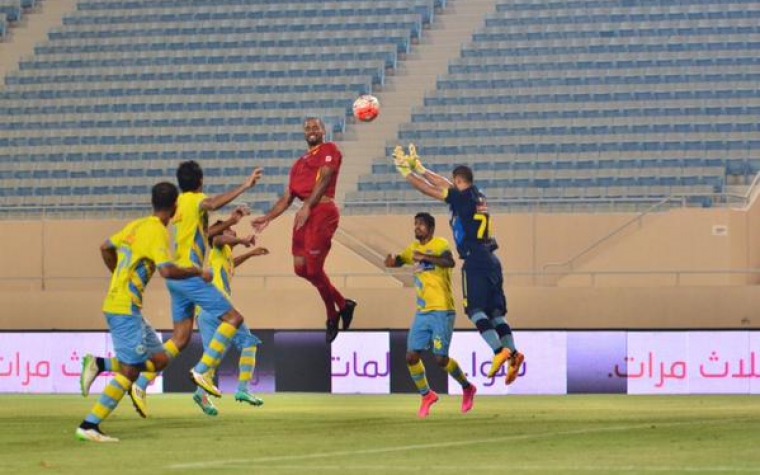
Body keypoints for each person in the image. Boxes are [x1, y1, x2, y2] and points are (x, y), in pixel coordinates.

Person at [75, 182, 211, 442]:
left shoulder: (136, 226)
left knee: (159, 360)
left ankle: (100, 364)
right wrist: (198, 272)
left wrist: (118, 275)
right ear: (174, 207)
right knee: (130, 371)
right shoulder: (157, 232)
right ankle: (89, 425)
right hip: (123, 308)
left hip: (128, 306)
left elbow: (105, 247)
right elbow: (167, 270)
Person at [127, 161, 263, 415]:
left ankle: (141, 383)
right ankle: (201, 371)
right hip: (190, 274)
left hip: (174, 277)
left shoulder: (179, 207)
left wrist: (232, 219)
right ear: (201, 181)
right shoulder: (196, 200)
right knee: (234, 318)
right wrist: (245, 185)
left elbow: (207, 230)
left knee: (179, 339)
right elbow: (211, 205)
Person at [392, 145, 525, 385]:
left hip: (474, 259)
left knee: (475, 311)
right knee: (496, 314)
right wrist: (421, 168)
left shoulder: (460, 198)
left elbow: (430, 189)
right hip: (493, 259)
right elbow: (445, 185)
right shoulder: (477, 195)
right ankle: (514, 355)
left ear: (458, 181)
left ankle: (499, 352)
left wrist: (407, 173)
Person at [251, 118, 356, 343]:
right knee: (301, 269)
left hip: (322, 211)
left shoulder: (329, 149)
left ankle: (332, 314)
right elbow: (288, 198)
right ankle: (343, 303)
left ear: (323, 130)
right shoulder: (298, 164)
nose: (311, 130)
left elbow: (326, 176)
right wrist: (268, 217)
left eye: (315, 127)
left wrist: (308, 206)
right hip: (304, 214)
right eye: (307, 128)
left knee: (315, 269)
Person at [384, 212, 476, 418]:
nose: (417, 227)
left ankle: (467, 387)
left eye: (421, 225)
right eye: (415, 224)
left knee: (440, 358)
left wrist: (424, 257)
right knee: (411, 356)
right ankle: (427, 395)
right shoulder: (412, 249)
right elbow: (400, 259)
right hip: (423, 311)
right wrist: (392, 262)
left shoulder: (440, 243)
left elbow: (449, 262)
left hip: (442, 309)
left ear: (431, 228)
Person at [193, 221, 269, 416]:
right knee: (248, 342)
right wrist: (242, 240)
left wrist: (250, 254)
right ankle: (243, 389)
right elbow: (218, 238)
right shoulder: (218, 244)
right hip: (219, 305)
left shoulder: (223, 256)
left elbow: (231, 264)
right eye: (230, 231)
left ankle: (201, 394)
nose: (233, 232)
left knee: (213, 355)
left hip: (205, 309)